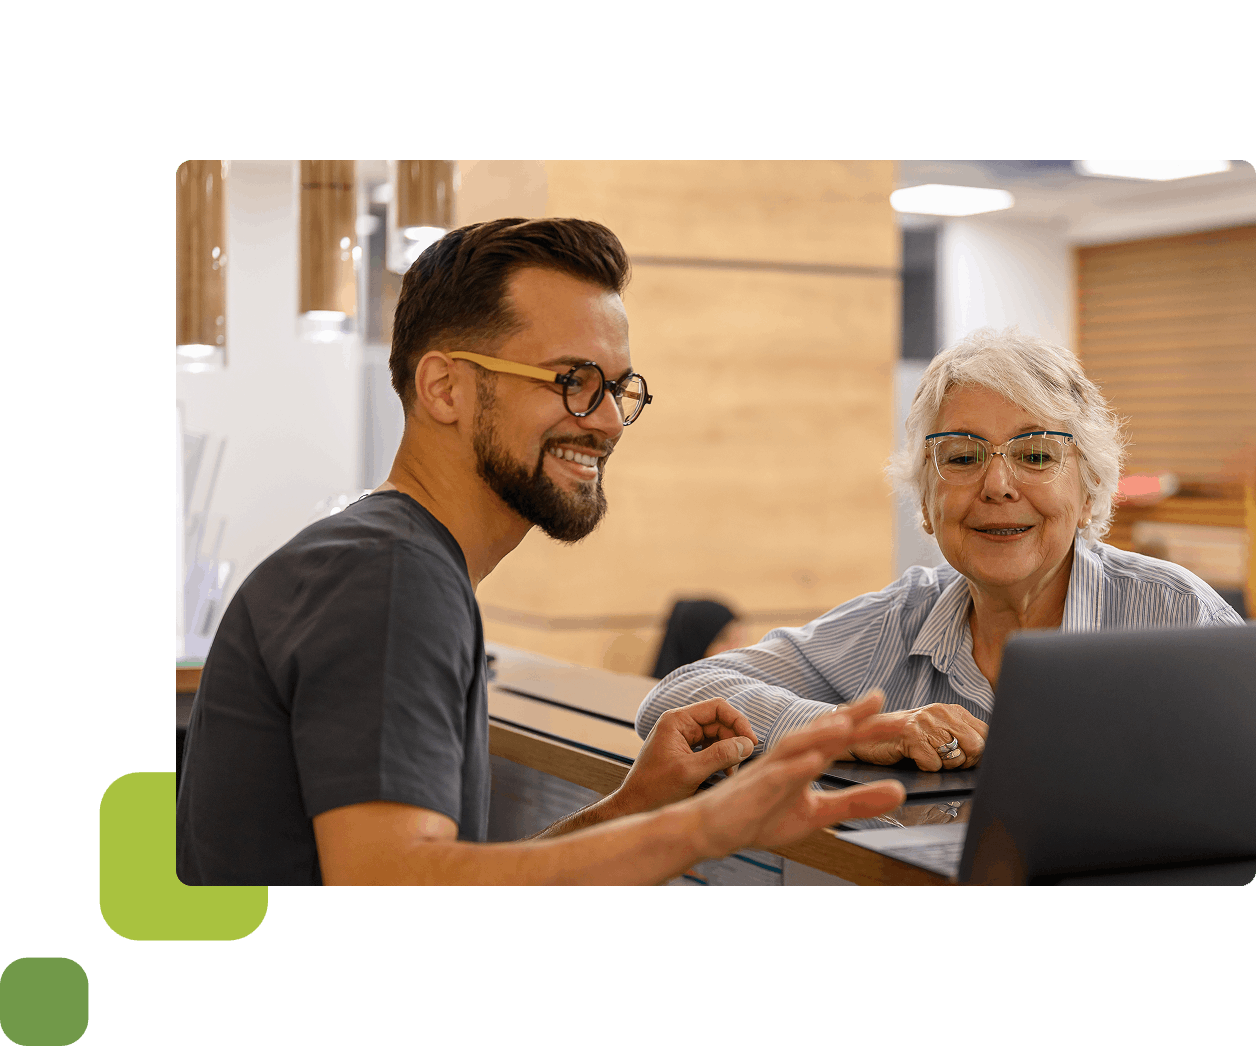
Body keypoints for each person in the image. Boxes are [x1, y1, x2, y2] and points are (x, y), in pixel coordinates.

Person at [176, 217, 906, 886]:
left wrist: (636, 807)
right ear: (444, 387)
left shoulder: (387, 558)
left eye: (620, 388)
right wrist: (702, 828)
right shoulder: (392, 577)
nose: (611, 422)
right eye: (573, 381)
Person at [636, 326, 1246, 774]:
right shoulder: (895, 625)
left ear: (1089, 493)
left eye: (1036, 455)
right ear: (927, 504)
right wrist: (855, 731)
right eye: (961, 457)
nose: (999, 485)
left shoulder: (1178, 617)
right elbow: (677, 695)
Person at [650, 599, 746, 679]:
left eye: (737, 640)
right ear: (695, 645)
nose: (734, 649)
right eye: (723, 639)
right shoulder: (660, 698)